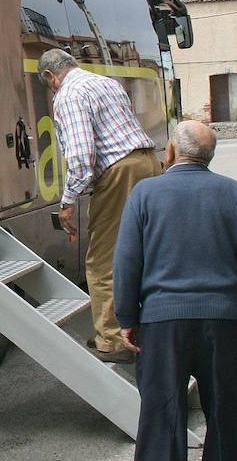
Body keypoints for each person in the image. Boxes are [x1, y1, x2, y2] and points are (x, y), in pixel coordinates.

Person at [113, 120, 237, 461]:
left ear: (170, 151)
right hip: (223, 319)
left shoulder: (145, 194)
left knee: (162, 412)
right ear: (210, 157)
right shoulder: (232, 192)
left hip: (162, 322)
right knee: (224, 407)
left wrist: (126, 316)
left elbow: (127, 261)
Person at [37, 47, 158, 363]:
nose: (51, 90)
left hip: (119, 173)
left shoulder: (68, 95)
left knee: (103, 260)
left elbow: (81, 156)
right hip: (147, 163)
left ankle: (113, 341)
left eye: (48, 84)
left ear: (51, 76)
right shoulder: (104, 82)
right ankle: (147, 329)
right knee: (142, 252)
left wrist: (67, 202)